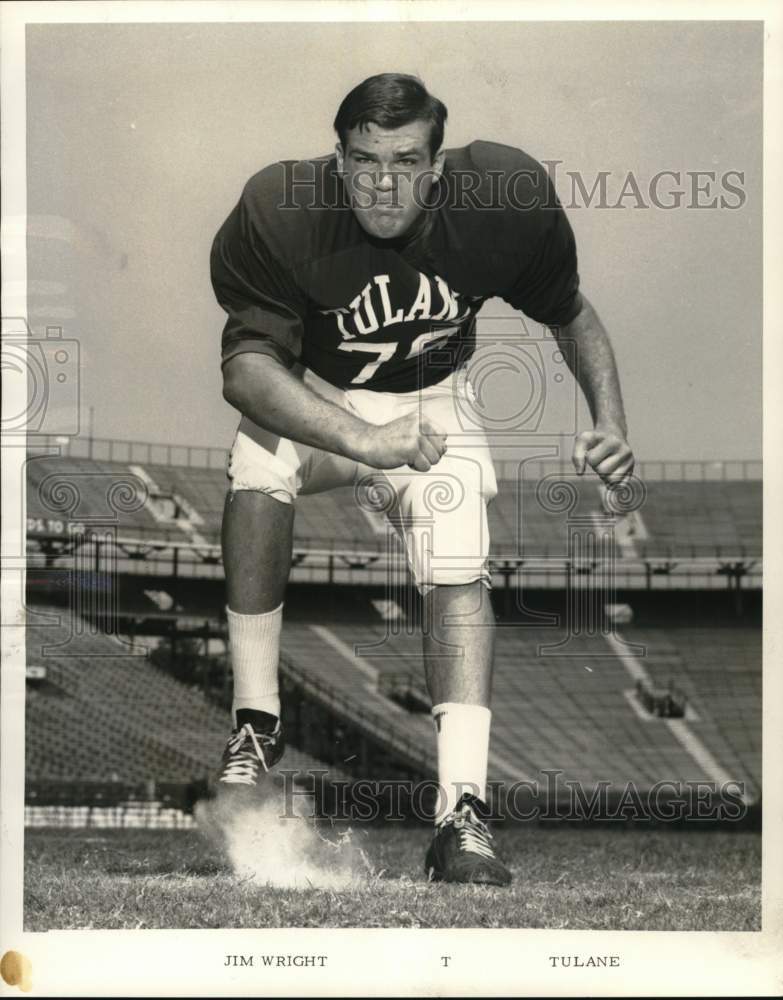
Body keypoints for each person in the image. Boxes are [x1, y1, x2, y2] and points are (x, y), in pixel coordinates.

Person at [210, 73, 634, 886]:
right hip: (323, 397)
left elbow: (569, 311)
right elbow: (249, 372)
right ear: (337, 160)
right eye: (364, 159)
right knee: (257, 460)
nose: (382, 180)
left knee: (458, 549)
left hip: (434, 399)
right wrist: (366, 439)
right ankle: (257, 718)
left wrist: (611, 422)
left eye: (405, 161)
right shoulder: (281, 207)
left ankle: (462, 816)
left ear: (436, 165)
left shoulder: (501, 200)